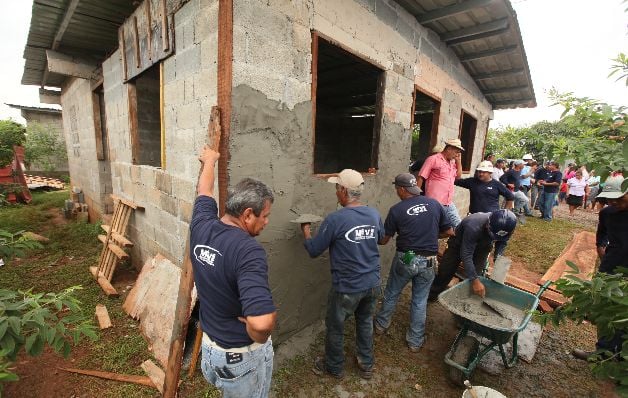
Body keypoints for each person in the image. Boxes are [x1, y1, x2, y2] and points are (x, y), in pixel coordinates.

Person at [191, 146, 277, 398]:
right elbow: (262, 322)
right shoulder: (248, 251)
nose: (267, 222)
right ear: (248, 214)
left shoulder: (201, 225)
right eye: (265, 216)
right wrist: (256, 333)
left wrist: (210, 160)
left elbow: (204, 191)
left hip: (210, 351)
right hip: (242, 360)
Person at [300, 169, 384, 380]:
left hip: (348, 287)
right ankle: (366, 365)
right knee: (364, 321)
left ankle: (334, 367)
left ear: (344, 191)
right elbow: (382, 239)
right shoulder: (373, 214)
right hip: (372, 283)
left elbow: (313, 250)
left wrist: (306, 231)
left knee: (336, 327)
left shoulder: (335, 219)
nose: (336, 192)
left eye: (337, 188)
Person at [374, 173, 453, 352]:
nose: (396, 192)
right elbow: (449, 231)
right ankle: (415, 342)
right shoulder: (434, 204)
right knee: (419, 300)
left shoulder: (396, 210)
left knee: (392, 292)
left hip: (406, 258)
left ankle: (380, 325)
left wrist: (375, 232)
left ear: (402, 189)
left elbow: (384, 240)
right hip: (429, 261)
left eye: (397, 189)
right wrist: (432, 234)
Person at [572, 176, 628, 361]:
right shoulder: (607, 213)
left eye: (619, 198)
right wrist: (600, 247)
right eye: (611, 199)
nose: (614, 202)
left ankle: (621, 359)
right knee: (605, 309)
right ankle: (602, 352)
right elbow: (601, 233)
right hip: (611, 267)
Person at [429, 210, 518, 298]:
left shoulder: (507, 227)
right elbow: (466, 254)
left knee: (476, 273)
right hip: (458, 244)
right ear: (488, 224)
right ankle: (432, 294)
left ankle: (463, 298)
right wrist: (475, 281)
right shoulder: (473, 225)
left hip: (483, 246)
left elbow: (502, 241)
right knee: (446, 271)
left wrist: (497, 258)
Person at [417, 138, 464, 227]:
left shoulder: (452, 162)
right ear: (449, 149)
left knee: (459, 227)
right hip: (434, 203)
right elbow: (421, 177)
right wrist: (416, 198)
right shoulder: (433, 159)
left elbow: (458, 176)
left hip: (448, 203)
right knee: (432, 228)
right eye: (456, 152)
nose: (457, 155)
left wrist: (458, 161)